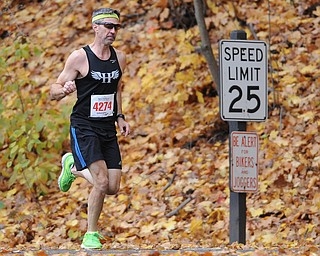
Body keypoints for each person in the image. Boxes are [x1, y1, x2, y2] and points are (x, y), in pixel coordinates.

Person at [50, 7, 130, 249]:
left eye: (116, 27)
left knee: (113, 187)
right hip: (84, 126)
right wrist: (62, 91)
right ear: (95, 27)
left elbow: (117, 89)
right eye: (108, 26)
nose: (112, 31)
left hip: (107, 128)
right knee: (101, 181)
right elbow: (53, 89)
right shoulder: (79, 57)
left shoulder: (120, 58)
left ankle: (72, 167)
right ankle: (90, 235)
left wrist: (120, 117)